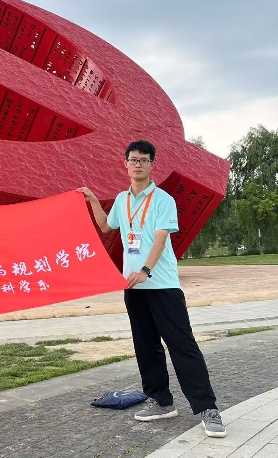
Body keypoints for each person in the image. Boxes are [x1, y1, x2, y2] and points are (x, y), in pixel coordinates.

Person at [78, 140, 226, 438]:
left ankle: (207, 408)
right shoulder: (122, 199)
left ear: (151, 165)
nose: (138, 164)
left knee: (182, 345)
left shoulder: (163, 200)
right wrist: (93, 200)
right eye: (133, 160)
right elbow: (107, 227)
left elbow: (160, 238)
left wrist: (146, 270)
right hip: (133, 287)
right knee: (146, 346)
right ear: (125, 164)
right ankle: (161, 402)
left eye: (143, 160)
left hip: (163, 285)